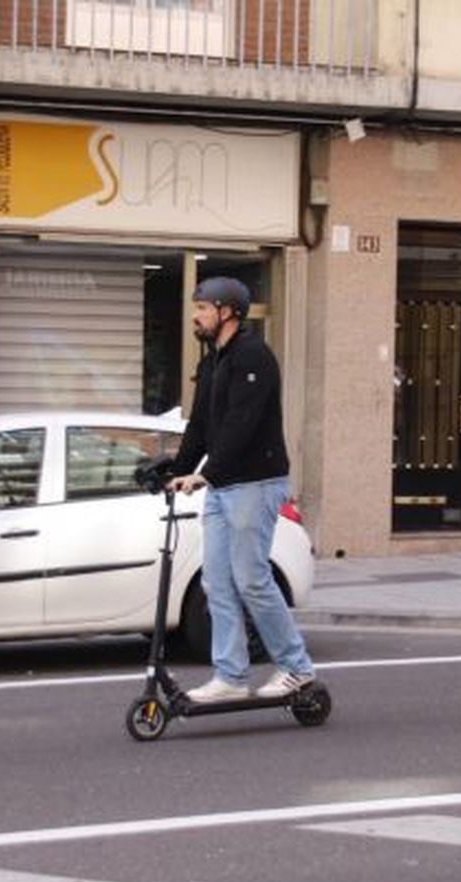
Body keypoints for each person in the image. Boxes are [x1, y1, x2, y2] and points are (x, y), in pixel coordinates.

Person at [167, 277, 316, 704]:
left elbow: (241, 423)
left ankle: (297, 668)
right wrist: (174, 471)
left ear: (227, 311)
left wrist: (206, 473)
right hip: (223, 487)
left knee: (251, 579)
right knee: (216, 582)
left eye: (202, 308)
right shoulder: (214, 360)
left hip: (255, 483)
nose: (195, 315)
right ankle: (231, 676)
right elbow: (201, 426)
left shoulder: (254, 356)